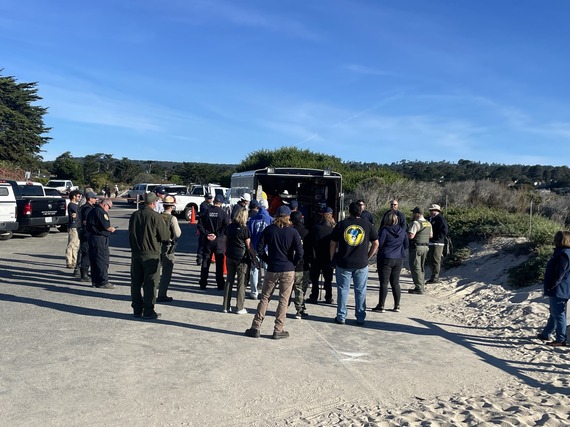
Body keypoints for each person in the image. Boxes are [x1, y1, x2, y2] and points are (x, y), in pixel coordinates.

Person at [245, 205, 303, 339]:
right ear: (288, 217)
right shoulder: (293, 232)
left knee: (265, 297)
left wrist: (267, 259)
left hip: (272, 267)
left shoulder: (269, 230)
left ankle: (256, 326)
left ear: (276, 215)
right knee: (283, 299)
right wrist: (293, 262)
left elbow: (259, 248)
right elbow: (300, 252)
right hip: (287, 268)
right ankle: (278, 329)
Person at [330, 201, 379, 325]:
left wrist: (332, 258)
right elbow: (376, 243)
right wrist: (368, 256)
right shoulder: (367, 225)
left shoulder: (342, 225)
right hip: (361, 263)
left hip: (344, 262)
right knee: (360, 291)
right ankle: (360, 317)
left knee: (343, 290)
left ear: (349, 211)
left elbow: (333, 243)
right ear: (361, 211)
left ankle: (341, 316)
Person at [129, 193, 170, 319]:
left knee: (136, 282)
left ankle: (136, 309)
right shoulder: (155, 216)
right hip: (151, 253)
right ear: (153, 203)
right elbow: (165, 236)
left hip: (136, 253)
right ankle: (148, 310)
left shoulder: (135, 215)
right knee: (150, 283)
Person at [538, 231, 570, 347]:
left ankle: (561, 339)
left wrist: (551, 285)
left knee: (559, 314)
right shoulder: (564, 253)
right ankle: (546, 333)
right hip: (564, 288)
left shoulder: (563, 254)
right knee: (554, 313)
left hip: (559, 289)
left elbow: (559, 274)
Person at [373, 212, 409, 313]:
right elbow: (406, 245)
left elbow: (380, 244)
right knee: (395, 282)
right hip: (398, 258)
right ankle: (397, 305)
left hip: (386, 257)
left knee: (384, 283)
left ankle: (381, 305)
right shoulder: (402, 231)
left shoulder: (384, 230)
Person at [223, 207, 255, 314]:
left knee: (229, 280)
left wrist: (226, 251)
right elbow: (248, 246)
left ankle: (226, 306)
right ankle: (240, 307)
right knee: (241, 283)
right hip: (242, 258)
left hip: (230, 256)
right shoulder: (245, 229)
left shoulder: (229, 227)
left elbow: (226, 241)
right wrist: (255, 258)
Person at [198, 194, 230, 290]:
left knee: (205, 261)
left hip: (207, 240)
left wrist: (207, 234)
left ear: (214, 201)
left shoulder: (206, 212)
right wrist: (216, 234)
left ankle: (203, 283)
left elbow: (200, 225)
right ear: (221, 203)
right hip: (219, 241)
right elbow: (226, 227)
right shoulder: (223, 214)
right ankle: (220, 284)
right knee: (219, 263)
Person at [86, 198, 117, 289]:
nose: (108, 209)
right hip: (100, 238)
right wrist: (112, 229)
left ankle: (95, 281)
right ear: (105, 204)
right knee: (102, 260)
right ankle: (103, 281)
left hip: (92, 237)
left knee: (94, 260)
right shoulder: (101, 212)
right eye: (109, 207)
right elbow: (106, 227)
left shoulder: (92, 210)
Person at [307, 207, 336, 304]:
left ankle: (314, 296)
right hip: (328, 257)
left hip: (316, 256)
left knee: (315, 278)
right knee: (328, 279)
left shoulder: (316, 228)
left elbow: (309, 242)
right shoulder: (333, 229)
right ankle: (328, 297)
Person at [157, 196, 182, 303]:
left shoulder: (157, 216)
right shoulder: (172, 218)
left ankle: (151, 293)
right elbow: (178, 233)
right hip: (168, 247)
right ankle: (162, 294)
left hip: (156, 246)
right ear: (171, 207)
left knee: (155, 271)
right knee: (166, 272)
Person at [247, 198, 272, 299]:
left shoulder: (252, 220)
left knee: (254, 269)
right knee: (267, 270)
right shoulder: (271, 219)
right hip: (267, 248)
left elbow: (249, 235)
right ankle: (267, 291)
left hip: (255, 247)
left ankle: (254, 292)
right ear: (267, 207)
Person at [290, 210, 311, 318]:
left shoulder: (289, 231)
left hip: (290, 264)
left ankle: (285, 306)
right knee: (301, 288)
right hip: (304, 264)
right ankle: (300, 309)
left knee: (289, 288)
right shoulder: (307, 232)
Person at [407, 207, 432, 295]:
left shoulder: (416, 223)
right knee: (421, 267)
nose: (413, 214)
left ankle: (418, 287)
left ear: (417, 214)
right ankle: (421, 286)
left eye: (414, 213)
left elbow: (411, 236)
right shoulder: (428, 223)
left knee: (415, 267)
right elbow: (430, 235)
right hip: (426, 246)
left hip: (416, 247)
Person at [76, 191, 97, 281]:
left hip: (86, 232)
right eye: (94, 198)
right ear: (90, 199)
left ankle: (87, 272)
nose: (95, 199)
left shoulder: (89, 207)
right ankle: (84, 274)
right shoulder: (87, 208)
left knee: (89, 253)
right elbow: (86, 221)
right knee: (86, 253)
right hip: (86, 232)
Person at [426, 204, 449, 284]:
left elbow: (444, 231)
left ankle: (435, 278)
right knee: (429, 259)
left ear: (437, 211)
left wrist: (437, 237)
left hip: (438, 243)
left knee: (436, 260)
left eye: (433, 210)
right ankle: (433, 275)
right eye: (431, 210)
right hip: (430, 242)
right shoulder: (430, 219)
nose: (432, 212)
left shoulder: (440, 219)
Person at [65, 190, 82, 269]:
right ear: (74, 196)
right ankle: (69, 261)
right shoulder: (72, 205)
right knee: (71, 244)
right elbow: (77, 213)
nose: (79, 198)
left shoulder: (75, 205)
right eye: (78, 196)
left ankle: (74, 261)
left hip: (77, 226)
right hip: (73, 226)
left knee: (76, 245)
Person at [196, 193, 214, 265]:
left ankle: (208, 257)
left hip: (209, 227)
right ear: (205, 198)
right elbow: (207, 212)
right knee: (202, 244)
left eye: (210, 198)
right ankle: (199, 258)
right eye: (208, 198)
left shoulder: (211, 206)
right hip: (203, 226)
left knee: (208, 244)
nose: (210, 200)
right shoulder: (203, 205)